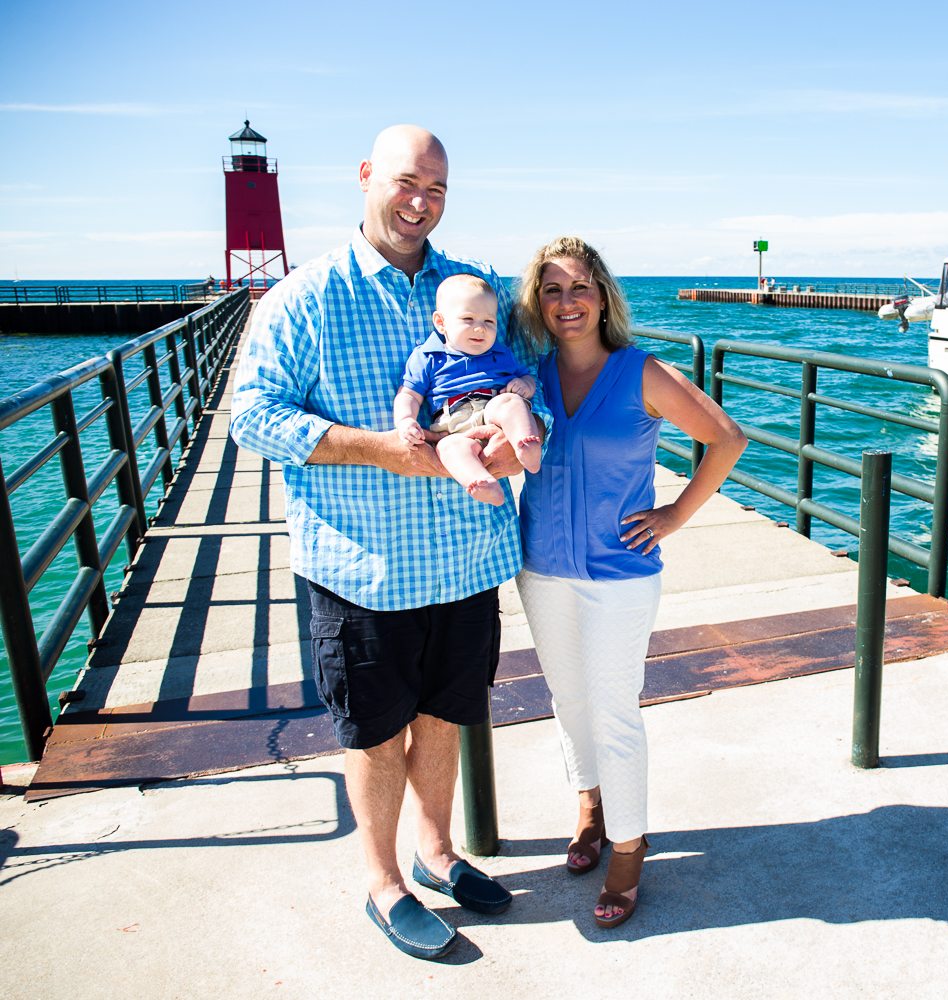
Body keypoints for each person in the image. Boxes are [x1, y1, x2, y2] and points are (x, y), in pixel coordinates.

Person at [229, 125, 549, 961]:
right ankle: (383, 883)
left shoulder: (473, 286)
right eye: (407, 181)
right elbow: (252, 417)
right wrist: (380, 448)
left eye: (437, 188)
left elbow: (529, 386)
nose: (421, 201)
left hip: (466, 558)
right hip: (363, 567)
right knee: (373, 733)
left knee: (445, 717)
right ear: (367, 175)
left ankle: (437, 853)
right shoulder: (304, 296)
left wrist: (518, 438)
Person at [512, 235, 746, 929]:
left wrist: (674, 514)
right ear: (537, 303)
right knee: (567, 699)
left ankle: (628, 845)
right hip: (540, 567)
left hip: (619, 575)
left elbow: (727, 437)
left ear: (603, 295)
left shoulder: (642, 371)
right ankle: (589, 805)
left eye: (579, 287)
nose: (567, 302)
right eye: (552, 291)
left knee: (614, 710)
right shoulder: (529, 376)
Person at [395, 273, 544, 502]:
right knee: (448, 448)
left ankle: (527, 442)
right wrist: (406, 421)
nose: (480, 329)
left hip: (492, 410)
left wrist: (525, 385)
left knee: (512, 403)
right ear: (441, 323)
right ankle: (481, 482)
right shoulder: (428, 356)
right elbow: (409, 395)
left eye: (489, 322)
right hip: (452, 421)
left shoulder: (500, 353)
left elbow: (528, 377)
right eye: (468, 319)